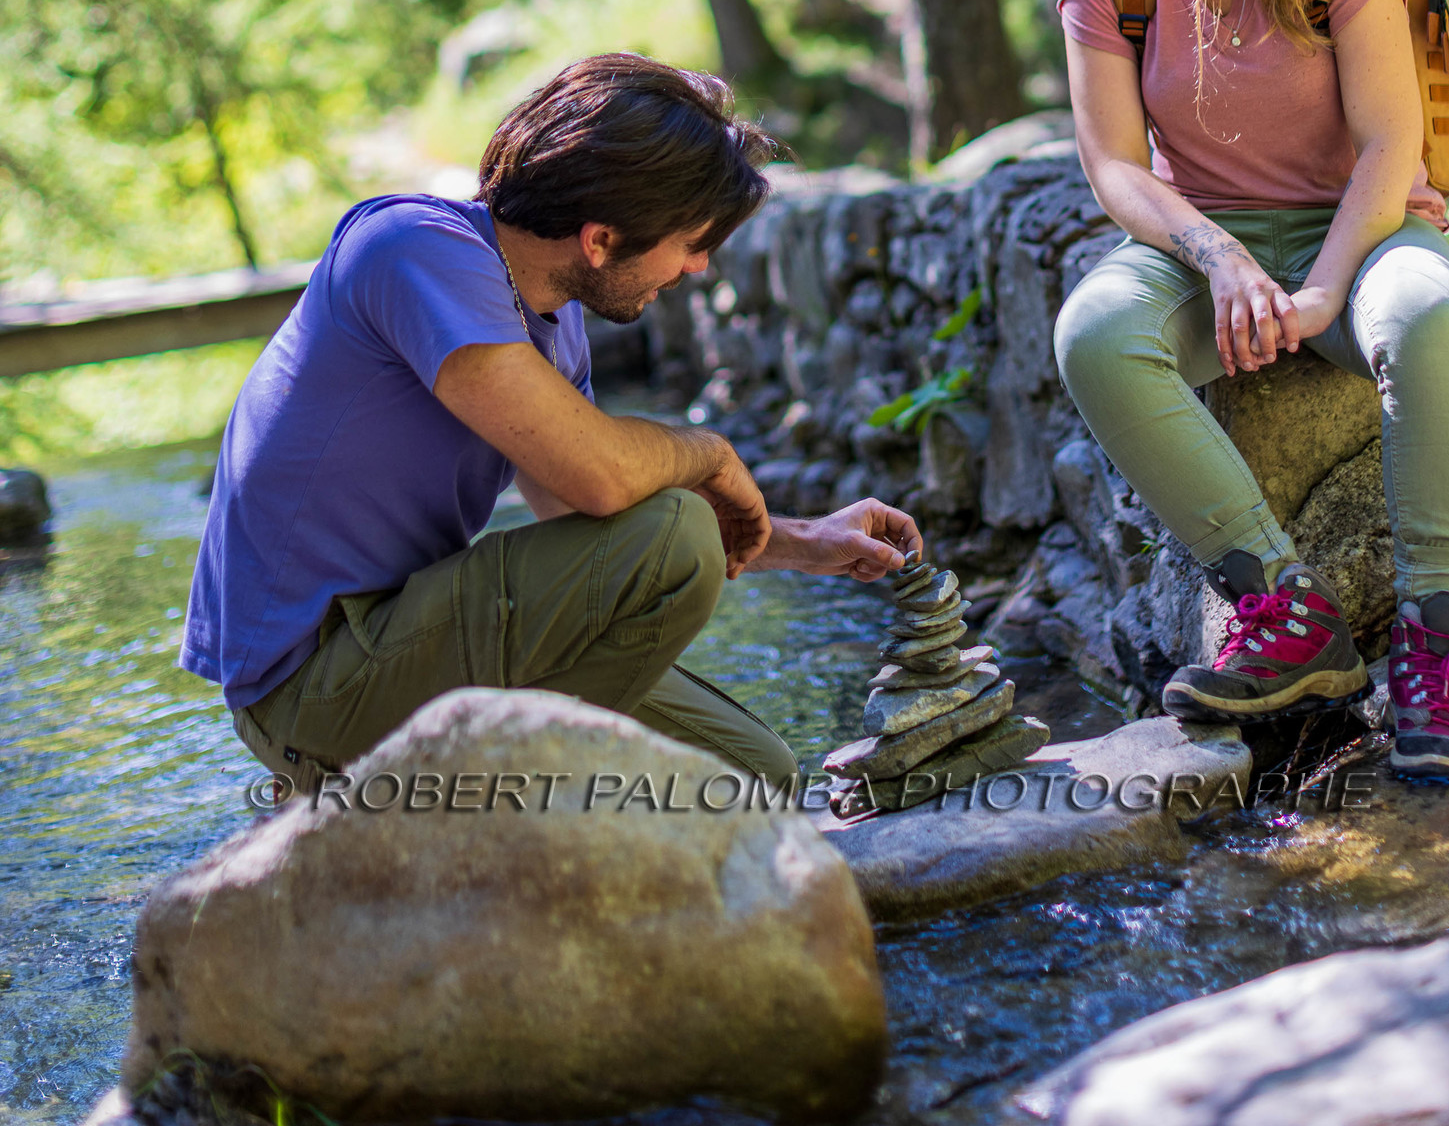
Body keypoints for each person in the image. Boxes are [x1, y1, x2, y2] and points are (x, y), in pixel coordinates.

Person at [183, 53, 921, 793]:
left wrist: (806, 542)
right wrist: (711, 452)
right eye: (693, 242)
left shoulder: (552, 321)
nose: (698, 269)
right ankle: (449, 821)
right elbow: (609, 484)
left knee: (753, 780)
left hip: (397, 639)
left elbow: (587, 513)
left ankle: (492, 809)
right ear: (600, 240)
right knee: (678, 537)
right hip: (310, 685)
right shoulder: (411, 247)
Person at [1054, 0, 1449, 781]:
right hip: (1200, 238)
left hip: (1360, 224)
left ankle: (1441, 641)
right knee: (1094, 336)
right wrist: (1218, 254)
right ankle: (1285, 611)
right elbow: (1112, 164)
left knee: (1431, 315)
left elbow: (1390, 148)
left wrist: (1318, 294)